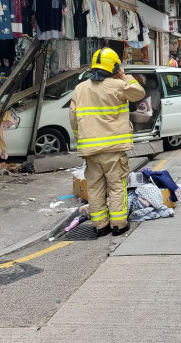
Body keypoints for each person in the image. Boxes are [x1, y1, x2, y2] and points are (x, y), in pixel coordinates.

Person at [69, 48, 145, 237]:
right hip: (113, 149)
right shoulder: (118, 85)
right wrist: (124, 76)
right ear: (115, 67)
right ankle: (118, 224)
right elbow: (139, 93)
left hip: (90, 149)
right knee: (117, 185)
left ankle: (100, 225)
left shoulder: (80, 88)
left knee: (94, 187)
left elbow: (73, 118)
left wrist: (81, 139)